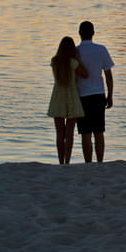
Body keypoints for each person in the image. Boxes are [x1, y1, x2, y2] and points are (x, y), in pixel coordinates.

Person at [75, 20, 115, 163]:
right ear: (93, 33)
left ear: (79, 34)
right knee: (99, 131)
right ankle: (100, 161)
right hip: (98, 94)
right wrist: (110, 95)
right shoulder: (101, 49)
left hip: (82, 96)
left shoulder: (76, 51)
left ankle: (88, 163)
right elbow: (108, 75)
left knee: (85, 132)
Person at [47, 36, 88, 164]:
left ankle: (60, 161)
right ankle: (67, 161)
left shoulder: (55, 61)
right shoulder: (73, 62)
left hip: (58, 96)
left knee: (59, 133)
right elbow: (85, 75)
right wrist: (79, 60)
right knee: (69, 133)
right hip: (71, 96)